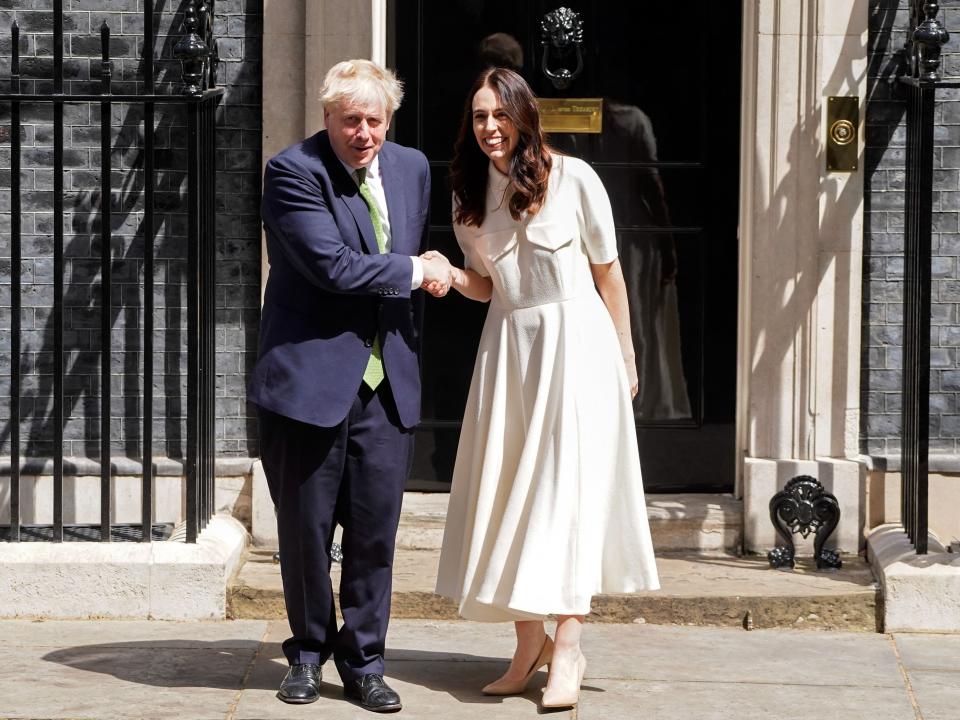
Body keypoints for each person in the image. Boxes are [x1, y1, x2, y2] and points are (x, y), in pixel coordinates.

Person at [431, 67, 660, 709]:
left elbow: (609, 277)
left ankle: (569, 646)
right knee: (511, 493)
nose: (489, 128)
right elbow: (486, 285)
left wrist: (626, 356)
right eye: (478, 117)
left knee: (567, 497)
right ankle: (526, 644)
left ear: (524, 117)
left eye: (500, 115)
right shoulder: (467, 195)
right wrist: (450, 275)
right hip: (510, 352)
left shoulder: (576, 179)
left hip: (578, 346)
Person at [249, 59, 452, 712]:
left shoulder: (414, 168)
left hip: (386, 384)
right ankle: (307, 654)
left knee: (373, 535)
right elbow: (334, 268)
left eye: (375, 121)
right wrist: (418, 272)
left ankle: (364, 662)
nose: (363, 134)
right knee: (306, 533)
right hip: (308, 380)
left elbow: (406, 256)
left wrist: (432, 266)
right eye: (350, 121)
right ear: (326, 117)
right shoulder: (292, 172)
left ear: (389, 120)